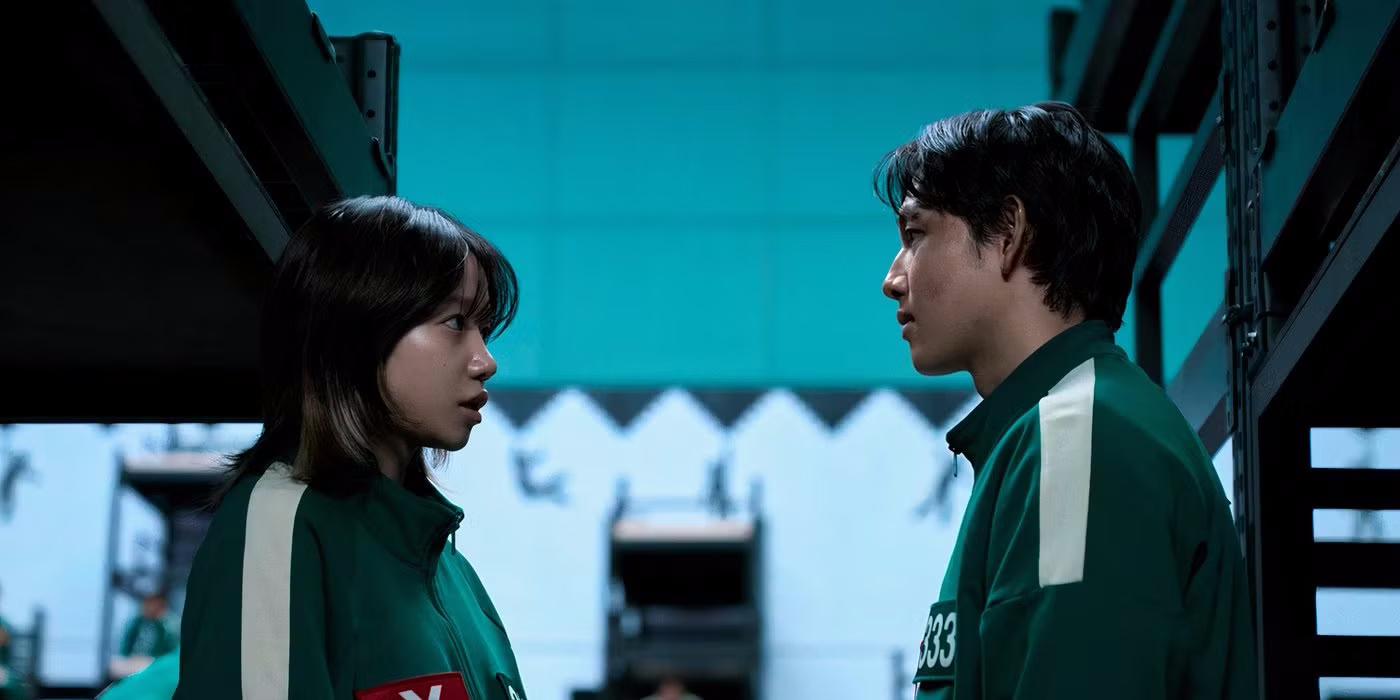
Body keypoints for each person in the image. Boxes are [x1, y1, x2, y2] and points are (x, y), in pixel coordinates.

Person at [875, 102, 1257, 699]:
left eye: (915, 235)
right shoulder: (1067, 432)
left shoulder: (1078, 438)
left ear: (1008, 233)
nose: (893, 279)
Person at [173, 195, 527, 700]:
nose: (486, 361)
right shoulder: (282, 529)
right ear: (358, 333)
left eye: (484, 329)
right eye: (455, 323)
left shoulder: (455, 576)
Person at [110, 591, 179, 680]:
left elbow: (172, 655)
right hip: (134, 663)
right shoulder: (137, 622)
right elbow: (125, 647)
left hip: (156, 664)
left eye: (151, 603)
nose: (146, 606)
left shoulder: (170, 625)